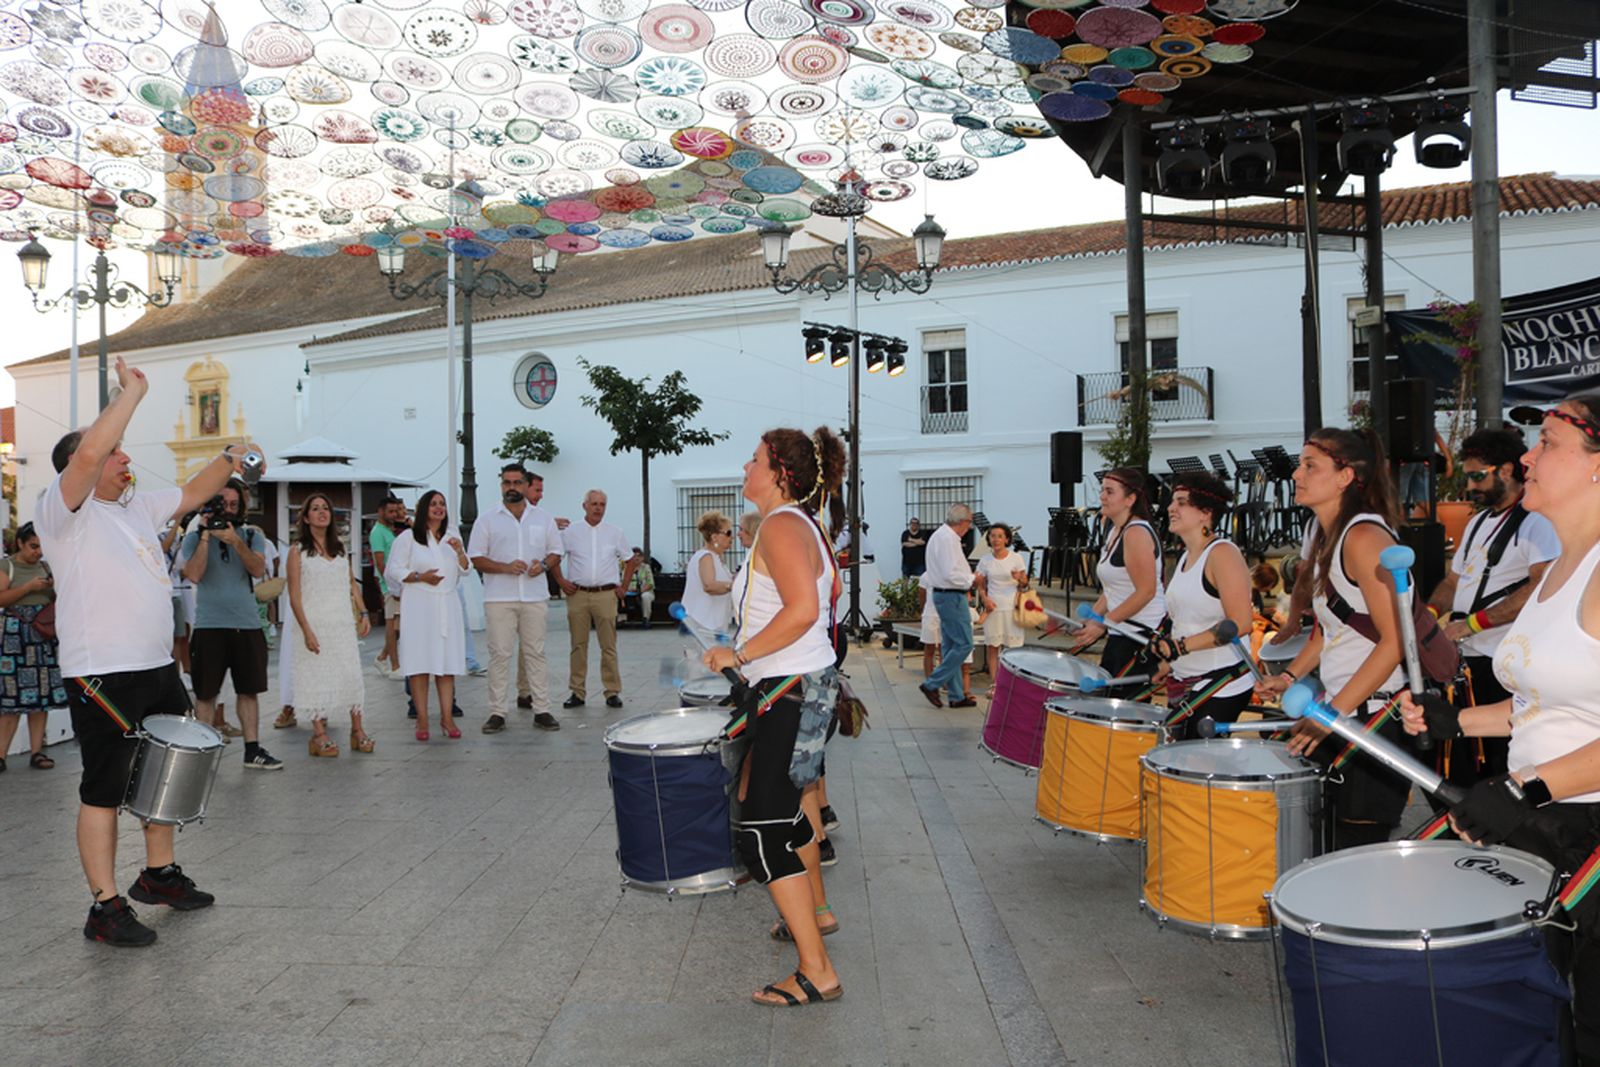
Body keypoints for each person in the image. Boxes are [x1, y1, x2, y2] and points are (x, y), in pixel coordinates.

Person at [1400, 396, 1600, 1063]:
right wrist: (1454, 719)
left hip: (1588, 827)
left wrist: (1523, 791)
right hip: (1549, 820)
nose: (1527, 458)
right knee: (1544, 1015)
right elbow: (1549, 705)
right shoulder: (1559, 576)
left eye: (1548, 443)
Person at [36, 357, 251, 946]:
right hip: (102, 675)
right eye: (117, 453)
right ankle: (103, 907)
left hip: (155, 666)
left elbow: (193, 491)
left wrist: (231, 457)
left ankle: (157, 875)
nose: (126, 458)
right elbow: (85, 455)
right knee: (104, 787)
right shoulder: (61, 513)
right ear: (86, 467)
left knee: (167, 770)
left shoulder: (134, 507)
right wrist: (131, 394)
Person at [701, 426, 845, 1007]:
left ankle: (816, 970)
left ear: (780, 471)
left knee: (762, 833)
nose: (745, 466)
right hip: (792, 688)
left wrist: (739, 653)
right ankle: (815, 918)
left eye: (754, 459)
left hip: (789, 691)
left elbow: (806, 608)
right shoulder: (799, 525)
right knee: (783, 814)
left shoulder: (784, 525)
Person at [1255, 428, 1409, 850]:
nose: (1297, 474)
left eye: (1311, 466)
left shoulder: (1364, 538)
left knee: (1357, 854)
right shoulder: (1328, 534)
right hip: (1343, 710)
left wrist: (1332, 717)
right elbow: (1331, 628)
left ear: (1344, 477)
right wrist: (1288, 677)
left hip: (1375, 717)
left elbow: (1395, 642)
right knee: (1323, 846)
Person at [1423, 427, 1559, 790]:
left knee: (1497, 772)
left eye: (1477, 476)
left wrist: (1470, 625)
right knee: (1457, 772)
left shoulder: (1536, 522)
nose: (1469, 486)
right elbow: (1453, 583)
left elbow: (1541, 587)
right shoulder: (1478, 522)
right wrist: (1429, 618)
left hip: (1504, 669)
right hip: (1470, 666)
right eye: (1468, 476)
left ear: (1507, 470)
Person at [180, 480, 281, 770]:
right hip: (209, 625)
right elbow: (194, 575)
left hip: (246, 623)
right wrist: (205, 537)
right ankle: (202, 752)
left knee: (248, 690)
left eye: (234, 505)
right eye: (222, 504)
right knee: (206, 692)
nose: (228, 510)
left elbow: (258, 569)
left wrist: (235, 540)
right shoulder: (194, 538)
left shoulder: (251, 535)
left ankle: (252, 750)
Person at [1148, 473, 1255, 740]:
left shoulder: (1223, 554)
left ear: (1205, 513)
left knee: (1195, 770)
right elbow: (1186, 617)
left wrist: (1181, 647)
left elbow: (1240, 623)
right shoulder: (1186, 555)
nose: (1171, 508)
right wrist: (1169, 661)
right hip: (1187, 679)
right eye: (1172, 501)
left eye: (1182, 502)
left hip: (1221, 684)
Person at [470, 463, 563, 735]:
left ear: (525, 485)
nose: (511, 487)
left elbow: (556, 551)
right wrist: (504, 567)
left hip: (534, 596)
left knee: (536, 653)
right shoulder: (487, 519)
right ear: (501, 485)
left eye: (516, 482)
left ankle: (542, 709)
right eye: (506, 483)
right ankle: (497, 712)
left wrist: (543, 566)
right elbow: (476, 556)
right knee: (499, 655)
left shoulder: (543, 518)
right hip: (499, 597)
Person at [287, 494, 373, 757]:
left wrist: (364, 612)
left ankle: (357, 730)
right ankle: (319, 735)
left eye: (325, 508)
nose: (322, 513)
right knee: (316, 678)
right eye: (315, 509)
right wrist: (306, 630)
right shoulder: (297, 551)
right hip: (314, 622)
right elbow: (294, 596)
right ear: (305, 517)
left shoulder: (340, 549)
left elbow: (350, 583)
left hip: (341, 624)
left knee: (351, 675)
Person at [384, 490, 469, 741]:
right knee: (420, 664)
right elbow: (393, 570)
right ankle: (422, 719)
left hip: (447, 605)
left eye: (442, 504)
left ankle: (447, 717)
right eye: (433, 504)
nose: (438, 508)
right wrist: (421, 577)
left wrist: (460, 551)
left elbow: (465, 570)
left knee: (446, 665)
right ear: (423, 509)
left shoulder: (452, 538)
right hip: (420, 605)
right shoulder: (409, 538)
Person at [1075, 468, 1166, 678]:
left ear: (1130, 499)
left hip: (1140, 635)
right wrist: (1094, 618)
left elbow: (1146, 592)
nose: (1102, 497)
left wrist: (1103, 623)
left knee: (1121, 706)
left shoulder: (1136, 533)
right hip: (1121, 631)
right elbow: (1113, 589)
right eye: (1102, 491)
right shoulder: (1115, 530)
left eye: (1110, 491)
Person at [554, 490, 637, 710]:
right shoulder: (570, 532)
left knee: (608, 645)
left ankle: (612, 691)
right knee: (578, 645)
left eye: (602, 504)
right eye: (594, 504)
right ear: (585, 506)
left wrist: (624, 586)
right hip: (578, 594)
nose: (598, 508)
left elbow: (630, 560)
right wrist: (561, 581)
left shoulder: (614, 532)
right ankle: (577, 692)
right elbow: (554, 557)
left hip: (605, 594)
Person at [0, 522, 66, 771]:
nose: (37, 552)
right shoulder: (7, 566)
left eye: (41, 547)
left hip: (42, 638)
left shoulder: (46, 567)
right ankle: (1, 755)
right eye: (33, 546)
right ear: (20, 543)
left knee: (40, 699)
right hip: (15, 638)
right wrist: (29, 587)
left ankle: (37, 751)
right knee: (10, 700)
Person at [917, 504, 978, 709]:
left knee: (951, 645)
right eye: (969, 522)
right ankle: (932, 683)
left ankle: (956, 694)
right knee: (964, 644)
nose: (969, 528)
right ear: (962, 522)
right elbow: (950, 574)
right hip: (951, 596)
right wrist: (972, 579)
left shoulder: (943, 536)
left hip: (946, 596)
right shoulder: (947, 539)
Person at [974, 522, 1027, 690]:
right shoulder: (985, 560)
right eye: (993, 536)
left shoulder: (1016, 558)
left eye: (999, 536)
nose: (996, 539)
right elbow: (980, 585)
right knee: (993, 647)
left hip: (1012, 606)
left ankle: (1013, 685)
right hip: (993, 607)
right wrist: (985, 599)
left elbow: (1024, 583)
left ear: (1006, 539)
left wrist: (1020, 577)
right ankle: (995, 685)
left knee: (1013, 649)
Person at [369, 495, 405, 679]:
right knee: (392, 625)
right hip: (390, 586)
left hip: (398, 583)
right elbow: (380, 562)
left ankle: (382, 657)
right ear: (380, 511)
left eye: (395, 511)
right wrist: (391, 586)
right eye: (390, 511)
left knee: (398, 626)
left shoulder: (390, 530)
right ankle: (395, 665)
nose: (393, 515)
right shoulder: (377, 533)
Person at [683, 510, 735, 633]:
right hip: (703, 622)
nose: (732, 537)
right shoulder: (706, 556)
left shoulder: (715, 558)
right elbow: (709, 586)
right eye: (728, 533)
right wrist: (734, 585)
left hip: (713, 622)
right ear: (714, 537)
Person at [624, 547, 656, 627]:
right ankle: (620, 619)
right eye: (634, 556)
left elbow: (650, 583)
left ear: (642, 558)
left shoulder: (646, 567)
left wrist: (640, 590)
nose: (637, 558)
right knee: (615, 596)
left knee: (646, 596)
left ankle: (646, 619)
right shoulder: (626, 567)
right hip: (628, 591)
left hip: (644, 591)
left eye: (639, 556)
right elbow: (622, 582)